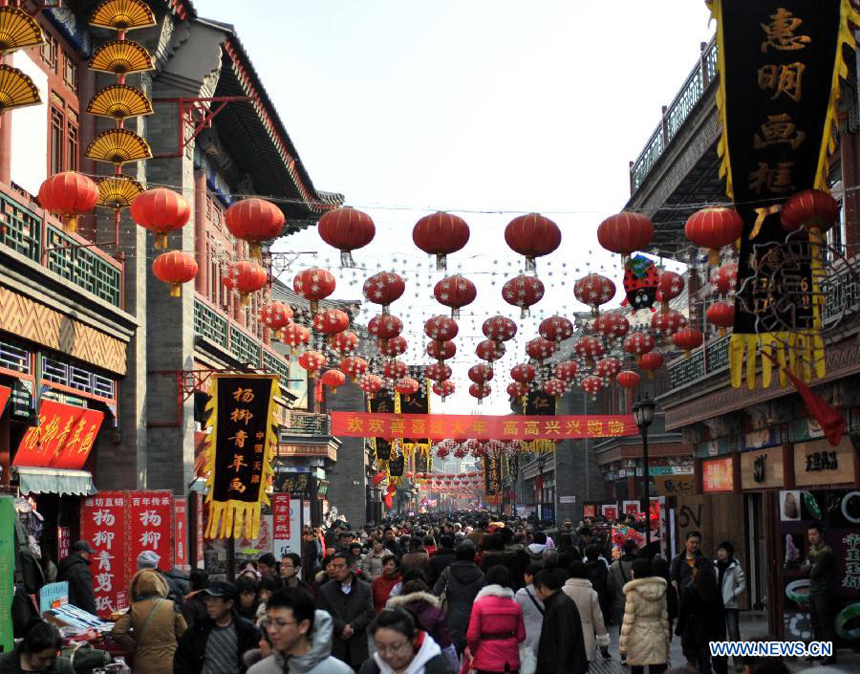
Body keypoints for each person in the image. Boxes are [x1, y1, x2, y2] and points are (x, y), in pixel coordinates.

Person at [247, 588, 353, 674]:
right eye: (269, 622)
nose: (271, 630)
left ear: (303, 626)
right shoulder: (258, 671)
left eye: (281, 623)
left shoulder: (338, 671)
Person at [174, 580, 261, 674]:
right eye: (208, 599)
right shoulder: (197, 629)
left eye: (215, 600)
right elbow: (181, 661)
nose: (209, 604)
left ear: (229, 603)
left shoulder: (247, 630)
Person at [112, 568, 188, 674]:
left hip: (143, 664)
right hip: (170, 662)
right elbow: (185, 634)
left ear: (137, 588)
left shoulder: (134, 609)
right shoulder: (171, 606)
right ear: (161, 585)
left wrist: (134, 647)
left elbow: (117, 632)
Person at [316, 552, 374, 670]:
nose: (336, 570)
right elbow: (323, 614)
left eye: (340, 566)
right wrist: (342, 627)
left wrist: (352, 626)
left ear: (351, 567)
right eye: (334, 566)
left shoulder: (364, 588)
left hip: (358, 644)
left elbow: (368, 612)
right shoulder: (325, 590)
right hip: (335, 644)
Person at [465, 565, 526, 674]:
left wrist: (474, 651)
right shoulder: (515, 605)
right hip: (510, 661)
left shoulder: (479, 604)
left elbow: (472, 636)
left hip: (486, 660)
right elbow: (521, 636)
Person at [387, 579, 457, 671]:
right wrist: (454, 668)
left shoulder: (395, 612)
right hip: (429, 662)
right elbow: (446, 646)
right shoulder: (435, 613)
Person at [360, 608, 451, 674]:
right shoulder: (371, 668)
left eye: (396, 647)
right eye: (381, 647)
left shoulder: (438, 669)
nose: (388, 655)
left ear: (414, 639)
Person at [432, 541, 485, 655]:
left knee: (452, 650)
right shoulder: (480, 574)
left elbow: (436, 591)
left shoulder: (448, 571)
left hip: (452, 614)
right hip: (473, 615)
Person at [676, 558, 727, 674]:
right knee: (718, 663)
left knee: (702, 663)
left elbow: (683, 613)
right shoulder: (715, 589)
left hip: (696, 633)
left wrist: (679, 630)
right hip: (714, 631)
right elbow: (720, 613)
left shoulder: (690, 589)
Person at [618, 559, 669, 674]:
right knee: (658, 669)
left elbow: (628, 621)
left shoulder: (632, 592)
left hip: (637, 636)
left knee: (637, 669)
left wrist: (623, 645)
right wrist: (666, 639)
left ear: (636, 572)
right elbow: (664, 617)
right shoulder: (660, 589)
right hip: (657, 633)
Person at [533, 569, 587, 674]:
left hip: (561, 668)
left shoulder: (561, 605)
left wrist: (561, 669)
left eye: (535, 589)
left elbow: (565, 640)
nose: (535, 593)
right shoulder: (557, 602)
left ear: (542, 588)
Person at [800, 523, 837, 665]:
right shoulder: (812, 551)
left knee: (825, 624)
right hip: (813, 591)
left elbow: (814, 572)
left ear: (821, 534)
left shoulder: (826, 552)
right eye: (809, 535)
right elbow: (803, 568)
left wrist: (810, 567)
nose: (811, 537)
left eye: (814, 534)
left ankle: (830, 656)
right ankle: (818, 652)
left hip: (823, 592)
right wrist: (810, 566)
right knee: (815, 624)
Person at [562, 561, 610, 664]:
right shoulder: (591, 593)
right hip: (586, 637)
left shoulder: (563, 591)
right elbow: (598, 618)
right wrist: (603, 638)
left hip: (566, 635)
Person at [714, 542, 746, 670]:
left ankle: (738, 662)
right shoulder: (714, 565)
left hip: (731, 605)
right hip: (717, 605)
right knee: (719, 635)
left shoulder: (735, 566)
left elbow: (742, 585)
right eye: (719, 550)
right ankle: (722, 661)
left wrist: (733, 594)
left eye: (723, 551)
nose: (720, 553)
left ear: (729, 553)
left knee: (734, 634)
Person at [0, 620, 73, 674]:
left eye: (52, 657)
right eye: (42, 659)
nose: (48, 663)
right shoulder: (3, 665)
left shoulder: (63, 668)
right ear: (28, 650)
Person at [57, 540, 97, 615]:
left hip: (65, 610)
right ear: (82, 552)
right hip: (79, 613)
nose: (89, 556)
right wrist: (95, 617)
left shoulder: (64, 564)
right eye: (88, 553)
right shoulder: (80, 569)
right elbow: (87, 596)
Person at [514, 564, 545, 656]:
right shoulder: (547, 592)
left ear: (530, 576)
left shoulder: (521, 594)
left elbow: (516, 616)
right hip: (545, 634)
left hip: (526, 635)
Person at [609, 540, 638, 629]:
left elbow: (610, 585)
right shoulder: (639, 564)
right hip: (637, 601)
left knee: (624, 628)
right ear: (633, 550)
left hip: (620, 602)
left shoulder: (614, 566)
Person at [584, 544, 612, 626]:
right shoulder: (603, 567)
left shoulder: (583, 568)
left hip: (588, 598)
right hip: (602, 597)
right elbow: (608, 582)